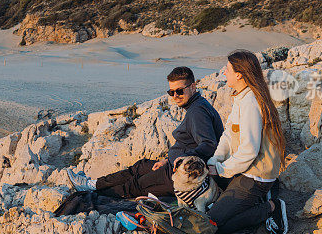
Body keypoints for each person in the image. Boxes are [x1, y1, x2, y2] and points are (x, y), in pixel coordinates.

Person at [68, 66, 224, 198]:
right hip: (171, 165)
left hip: (179, 176)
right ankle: (93, 184)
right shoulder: (196, 105)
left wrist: (183, 160)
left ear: (193, 87)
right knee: (139, 167)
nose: (175, 96)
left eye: (179, 91)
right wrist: (167, 159)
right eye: (171, 92)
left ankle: (92, 194)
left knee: (137, 184)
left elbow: (209, 144)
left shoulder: (197, 112)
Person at [206, 50, 289, 234]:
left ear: (239, 74)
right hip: (243, 170)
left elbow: (249, 151)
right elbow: (228, 134)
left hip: (256, 175)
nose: (224, 73)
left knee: (212, 226)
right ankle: (254, 200)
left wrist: (219, 169)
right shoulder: (241, 96)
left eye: (227, 69)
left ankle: (271, 207)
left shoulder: (251, 102)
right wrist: (214, 160)